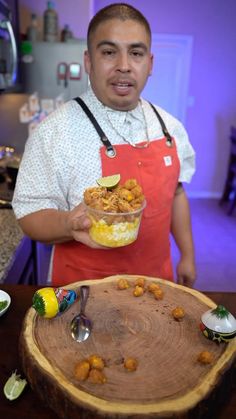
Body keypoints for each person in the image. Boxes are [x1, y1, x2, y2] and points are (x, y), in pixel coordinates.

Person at [12, 3, 196, 288]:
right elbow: (28, 214)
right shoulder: (54, 132)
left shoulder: (171, 128)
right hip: (82, 293)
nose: (124, 65)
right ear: (89, 61)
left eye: (136, 53)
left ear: (150, 63)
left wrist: (187, 254)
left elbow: (177, 193)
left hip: (155, 284)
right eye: (109, 52)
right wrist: (68, 225)